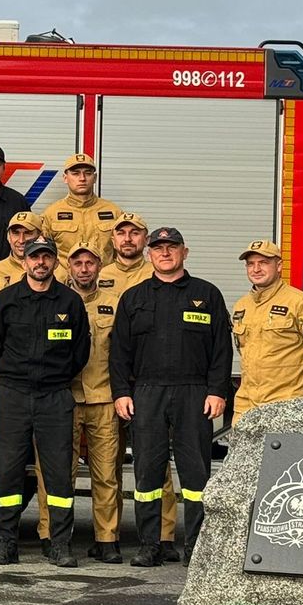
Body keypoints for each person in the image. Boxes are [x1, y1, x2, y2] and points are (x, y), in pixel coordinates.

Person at [110, 227, 232, 566]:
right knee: (147, 474)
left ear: (184, 252)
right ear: (149, 254)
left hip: (194, 392)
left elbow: (221, 350)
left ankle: (196, 547)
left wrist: (217, 391)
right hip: (146, 393)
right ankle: (149, 546)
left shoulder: (206, 294)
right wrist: (121, 392)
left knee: (196, 475)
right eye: (158, 248)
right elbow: (118, 353)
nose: (165, 253)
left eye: (172, 247)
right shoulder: (133, 298)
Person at [0, 238, 90, 567]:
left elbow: (80, 353)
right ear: (24, 262)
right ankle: (6, 542)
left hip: (55, 396)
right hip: (14, 394)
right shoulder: (6, 300)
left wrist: (54, 378)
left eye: (46, 257)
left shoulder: (70, 302)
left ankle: (59, 544)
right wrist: (17, 376)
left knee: (58, 473)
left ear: (55, 262)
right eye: (35, 257)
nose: (40, 263)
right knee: (8, 471)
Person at [99, 211, 180, 556]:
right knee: (107, 466)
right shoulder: (98, 275)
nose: (128, 239)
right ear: (113, 239)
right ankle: (108, 537)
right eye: (122, 233)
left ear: (144, 241)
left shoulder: (159, 274)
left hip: (148, 385)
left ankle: (164, 536)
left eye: (135, 233)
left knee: (156, 464)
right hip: (106, 385)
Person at [65, 243, 124, 563]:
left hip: (104, 399)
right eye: (78, 263)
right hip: (67, 399)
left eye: (90, 263)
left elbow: (124, 353)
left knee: (106, 474)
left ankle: (107, 539)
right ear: (69, 267)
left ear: (100, 267)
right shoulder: (58, 301)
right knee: (61, 474)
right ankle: (56, 537)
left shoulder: (114, 304)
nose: (84, 269)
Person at [230, 241, 303, 414]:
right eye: (250, 264)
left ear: (278, 266)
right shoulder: (242, 306)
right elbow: (245, 350)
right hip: (246, 404)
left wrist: (295, 374)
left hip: (287, 403)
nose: (256, 269)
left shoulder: (301, 303)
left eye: (263, 263)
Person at [41, 153, 122, 265]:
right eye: (75, 173)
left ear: (95, 178)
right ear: (65, 178)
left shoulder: (114, 212)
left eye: (88, 173)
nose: (82, 178)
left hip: (103, 275)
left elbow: (123, 253)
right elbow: (43, 254)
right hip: (65, 275)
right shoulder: (51, 214)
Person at [0, 211, 43, 288]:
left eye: (27, 233)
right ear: (8, 237)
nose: (21, 240)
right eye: (16, 233)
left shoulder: (54, 270)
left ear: (40, 236)